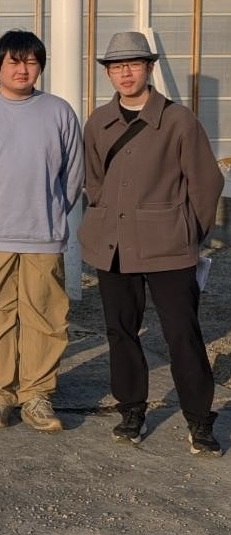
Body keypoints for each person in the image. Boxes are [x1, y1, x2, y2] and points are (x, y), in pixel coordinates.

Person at [79, 31, 225, 456]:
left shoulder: (179, 120)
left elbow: (206, 182)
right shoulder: (98, 122)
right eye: (116, 66)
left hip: (169, 247)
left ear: (149, 67)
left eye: (133, 64)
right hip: (114, 247)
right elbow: (93, 181)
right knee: (121, 331)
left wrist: (186, 231)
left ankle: (199, 420)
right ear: (108, 73)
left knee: (183, 333)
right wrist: (103, 217)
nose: (125, 73)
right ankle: (131, 410)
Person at [0, 29, 83, 432]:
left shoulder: (59, 111)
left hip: (42, 233)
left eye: (31, 61)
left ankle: (37, 395)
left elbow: (73, 175)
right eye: (14, 61)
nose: (23, 69)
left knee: (46, 315)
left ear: (40, 66)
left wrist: (55, 211)